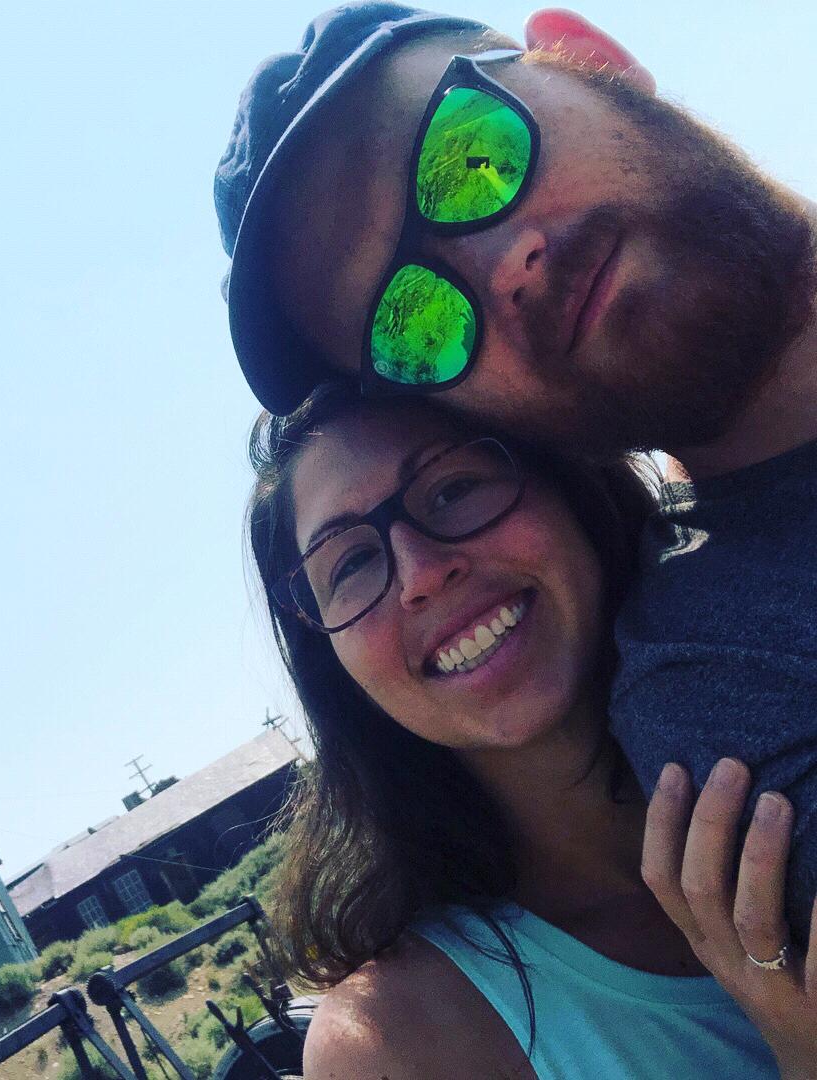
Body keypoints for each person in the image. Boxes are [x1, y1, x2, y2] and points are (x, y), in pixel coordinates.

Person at [215, 4, 817, 942]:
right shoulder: (732, 691)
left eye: (473, 155)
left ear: (586, 54)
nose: (503, 270)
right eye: (414, 320)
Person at [246, 380, 817, 1078]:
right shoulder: (392, 1043)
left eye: (452, 489)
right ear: (333, 661)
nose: (421, 574)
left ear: (566, 481)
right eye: (353, 562)